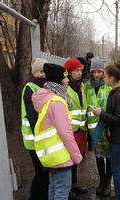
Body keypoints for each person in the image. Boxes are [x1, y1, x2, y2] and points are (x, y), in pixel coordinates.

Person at [32, 63, 83, 200]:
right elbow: (65, 133)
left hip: (51, 154)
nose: (67, 80)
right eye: (65, 77)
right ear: (58, 80)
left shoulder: (46, 99)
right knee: (62, 191)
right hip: (60, 155)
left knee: (54, 188)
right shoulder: (57, 102)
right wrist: (76, 155)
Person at [91, 61, 120, 200]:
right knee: (118, 168)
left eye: (105, 76)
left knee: (117, 168)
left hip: (119, 136)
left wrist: (101, 113)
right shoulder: (119, 92)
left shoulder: (118, 94)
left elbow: (119, 118)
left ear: (112, 78)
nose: (103, 78)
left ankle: (119, 197)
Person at [21, 58, 49, 200]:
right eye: (41, 71)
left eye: (45, 71)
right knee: (41, 172)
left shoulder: (41, 86)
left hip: (39, 138)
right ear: (35, 72)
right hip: (34, 140)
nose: (44, 74)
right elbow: (33, 118)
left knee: (44, 172)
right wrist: (41, 140)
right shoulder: (30, 88)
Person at [84, 58, 112, 197]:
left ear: (103, 72)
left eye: (99, 72)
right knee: (99, 156)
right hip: (93, 128)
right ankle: (102, 180)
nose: (96, 75)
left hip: (106, 126)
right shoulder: (87, 86)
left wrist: (104, 111)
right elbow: (84, 105)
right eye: (94, 72)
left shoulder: (108, 86)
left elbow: (113, 105)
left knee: (109, 156)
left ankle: (107, 181)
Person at [63, 58, 88, 199]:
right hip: (70, 131)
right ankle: (68, 189)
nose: (79, 73)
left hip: (81, 130)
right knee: (69, 161)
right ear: (69, 72)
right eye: (76, 70)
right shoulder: (64, 88)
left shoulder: (82, 86)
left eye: (80, 70)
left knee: (78, 158)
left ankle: (74, 184)